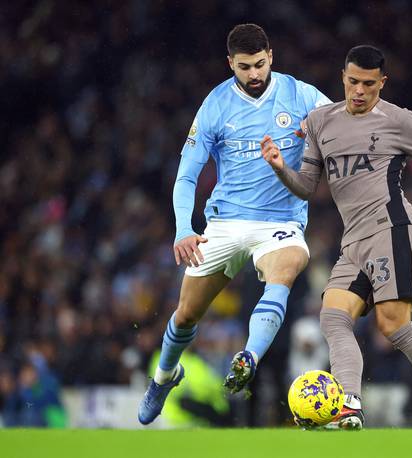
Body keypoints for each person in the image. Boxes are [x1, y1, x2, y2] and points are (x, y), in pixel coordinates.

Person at [261, 45, 412, 431]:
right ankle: (350, 404)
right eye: (353, 82)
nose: (360, 91)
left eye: (369, 85)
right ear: (343, 77)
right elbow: (308, 186)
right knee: (332, 316)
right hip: (354, 241)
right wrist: (279, 167)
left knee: (392, 326)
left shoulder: (400, 120)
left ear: (382, 83)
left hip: (392, 229)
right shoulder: (319, 121)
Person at [138, 23, 330, 425]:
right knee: (187, 314)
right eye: (244, 67)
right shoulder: (215, 105)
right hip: (224, 222)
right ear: (231, 64)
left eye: (260, 64)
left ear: (271, 56)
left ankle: (249, 356)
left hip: (280, 222)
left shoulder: (303, 95)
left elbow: (343, 130)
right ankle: (164, 378)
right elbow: (187, 175)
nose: (254, 74)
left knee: (290, 264)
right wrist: (182, 230)